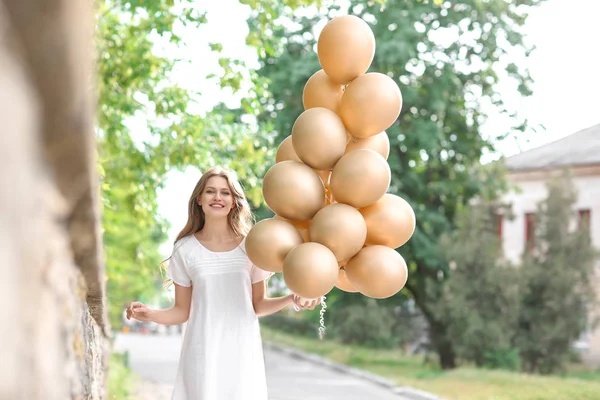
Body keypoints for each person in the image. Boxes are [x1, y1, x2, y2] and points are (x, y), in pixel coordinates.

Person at [126, 166, 318, 400]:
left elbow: (257, 305)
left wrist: (291, 298)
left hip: (242, 352)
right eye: (210, 191)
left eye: (225, 193)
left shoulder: (252, 247)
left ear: (234, 201)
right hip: (202, 351)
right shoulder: (185, 249)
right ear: (199, 199)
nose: (218, 197)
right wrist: (150, 315)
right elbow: (181, 311)